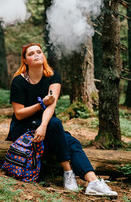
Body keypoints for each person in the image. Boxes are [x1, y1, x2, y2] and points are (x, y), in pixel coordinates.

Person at [6, 42, 117, 196]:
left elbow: (52, 105)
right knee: (57, 125)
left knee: (71, 141)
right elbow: (19, 114)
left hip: (48, 127)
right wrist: (40, 105)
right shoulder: (19, 81)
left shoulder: (52, 76)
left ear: (43, 56)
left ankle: (92, 182)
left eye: (39, 52)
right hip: (23, 128)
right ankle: (68, 172)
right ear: (25, 61)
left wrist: (43, 125)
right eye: (31, 54)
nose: (36, 55)